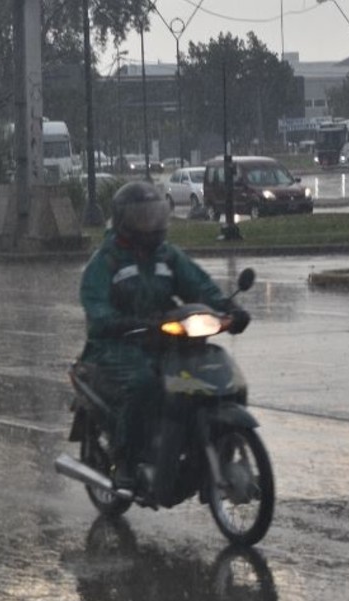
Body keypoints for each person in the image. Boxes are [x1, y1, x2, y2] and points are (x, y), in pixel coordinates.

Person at [78, 181, 251, 490]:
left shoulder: (167, 256)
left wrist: (229, 309)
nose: (150, 224)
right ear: (123, 221)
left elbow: (199, 285)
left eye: (155, 215)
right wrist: (123, 322)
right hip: (117, 345)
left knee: (218, 375)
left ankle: (212, 445)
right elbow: (97, 308)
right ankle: (127, 460)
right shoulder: (106, 261)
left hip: (167, 339)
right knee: (145, 383)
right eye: (142, 217)